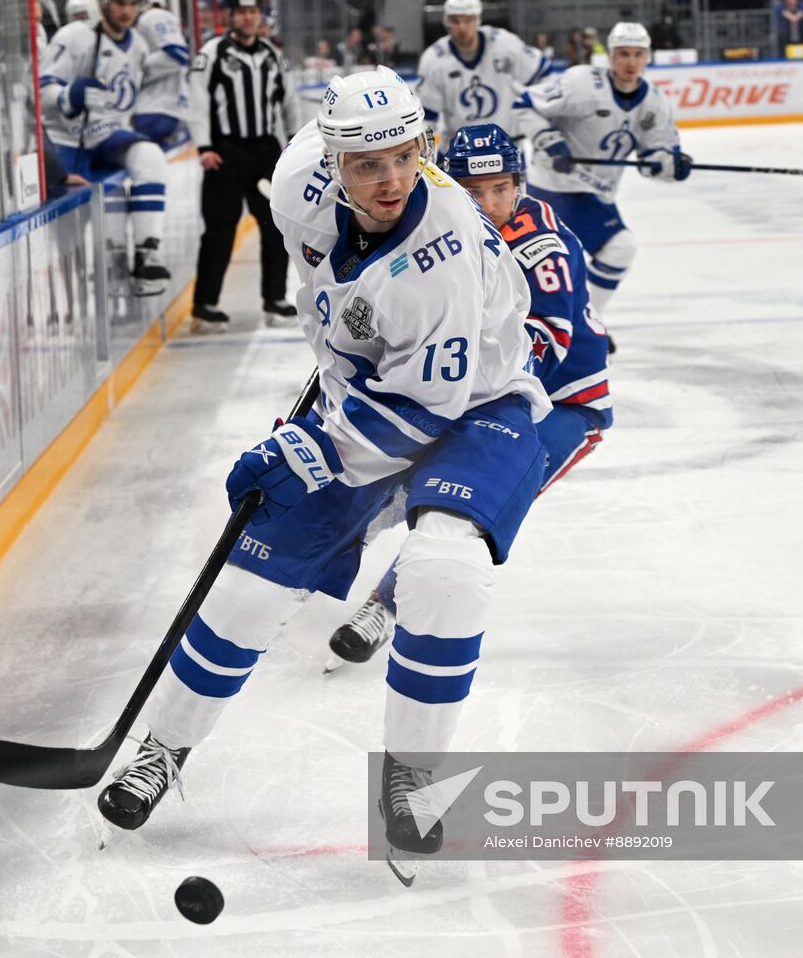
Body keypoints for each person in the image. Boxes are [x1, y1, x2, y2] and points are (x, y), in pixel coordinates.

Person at [96, 67, 551, 870]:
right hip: (368, 392)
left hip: (475, 401)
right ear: (332, 161)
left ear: (424, 148)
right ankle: (161, 749)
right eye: (367, 164)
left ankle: (410, 782)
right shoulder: (297, 178)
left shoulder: (438, 249)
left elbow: (423, 413)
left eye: (406, 158)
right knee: (249, 583)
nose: (389, 180)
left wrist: (301, 449)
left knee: (446, 567)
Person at [326, 123, 610, 667]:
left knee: (461, 508)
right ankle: (324, 554)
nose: (488, 202)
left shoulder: (541, 245)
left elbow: (545, 344)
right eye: (473, 191)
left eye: (500, 188)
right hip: (477, 390)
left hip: (562, 402)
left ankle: (382, 607)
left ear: (519, 186)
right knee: (385, 479)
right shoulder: (440, 224)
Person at [512, 21, 690, 352]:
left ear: (647, 58)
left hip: (594, 196)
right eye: (623, 54)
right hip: (551, 187)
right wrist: (549, 141)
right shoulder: (582, 83)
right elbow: (525, 104)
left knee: (619, 249)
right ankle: (568, 324)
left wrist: (672, 167)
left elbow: (657, 159)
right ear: (609, 56)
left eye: (638, 55)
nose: (630, 62)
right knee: (548, 266)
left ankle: (584, 320)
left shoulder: (654, 103)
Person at [38, 0, 170, 294]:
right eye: (119, 2)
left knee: (149, 156)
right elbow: (41, 91)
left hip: (107, 134)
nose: (126, 10)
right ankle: (74, 290)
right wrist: (68, 96)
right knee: (68, 233)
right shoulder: (74, 37)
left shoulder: (138, 45)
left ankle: (146, 253)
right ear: (104, 1)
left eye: (133, 2)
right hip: (65, 141)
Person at [187, 0, 296, 332]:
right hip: (225, 152)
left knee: (276, 226)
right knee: (220, 230)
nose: (248, 17)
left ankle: (275, 300)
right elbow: (198, 101)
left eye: (253, 11)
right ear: (229, 16)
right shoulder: (212, 53)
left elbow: (289, 101)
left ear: (260, 15)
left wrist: (294, 143)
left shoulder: (271, 54)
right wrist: (204, 147)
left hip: (264, 152)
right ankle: (205, 306)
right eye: (241, 12)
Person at [415, 0, 555, 146]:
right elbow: (426, 117)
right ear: (446, 22)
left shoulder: (506, 45)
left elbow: (543, 74)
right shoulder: (433, 59)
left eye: (468, 20)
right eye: (455, 21)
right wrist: (424, 152)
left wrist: (541, 127)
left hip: (508, 147)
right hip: (460, 151)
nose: (462, 28)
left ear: (478, 20)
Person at [132, 0, 190, 145]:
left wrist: (136, 70)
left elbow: (177, 54)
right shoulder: (157, 18)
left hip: (154, 109)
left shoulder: (153, 15)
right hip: (166, 109)